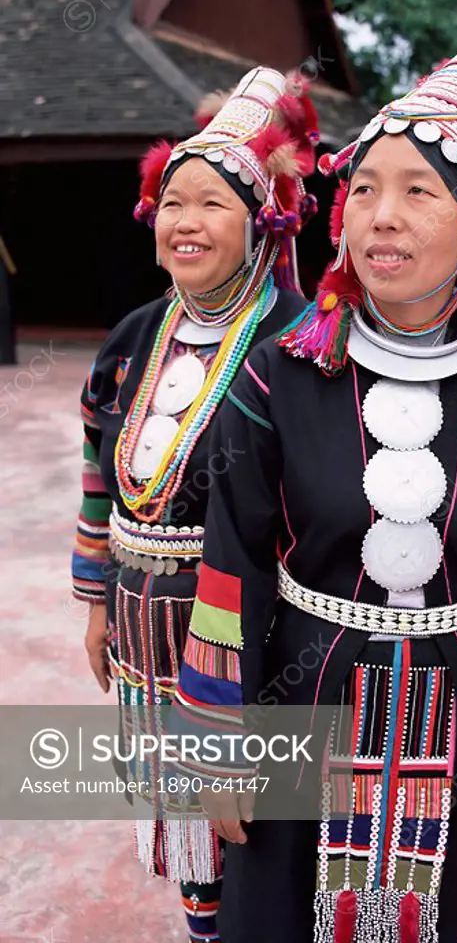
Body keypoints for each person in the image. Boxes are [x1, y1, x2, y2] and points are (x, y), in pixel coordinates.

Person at [173, 40, 457, 943]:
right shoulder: (279, 377)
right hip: (295, 707)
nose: (381, 217)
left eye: (417, 192)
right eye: (363, 189)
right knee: (270, 917)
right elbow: (231, 561)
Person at [70, 66, 319, 942]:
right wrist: (96, 597)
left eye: (213, 203)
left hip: (250, 636)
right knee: (180, 819)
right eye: (174, 201)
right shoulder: (133, 335)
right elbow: (100, 470)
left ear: (259, 219)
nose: (187, 221)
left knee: (248, 817)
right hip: (142, 621)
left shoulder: (297, 340)